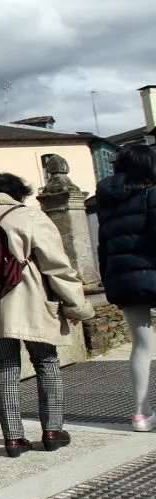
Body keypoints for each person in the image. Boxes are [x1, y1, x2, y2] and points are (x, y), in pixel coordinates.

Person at [0, 173, 94, 457]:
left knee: (5, 368)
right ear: (19, 193)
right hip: (31, 302)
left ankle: (13, 438)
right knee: (47, 362)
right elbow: (57, 266)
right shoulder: (30, 217)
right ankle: (52, 430)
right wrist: (75, 304)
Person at [96, 145, 156, 431]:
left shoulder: (108, 203)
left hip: (125, 280)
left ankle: (141, 414)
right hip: (153, 273)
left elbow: (103, 248)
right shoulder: (151, 194)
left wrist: (109, 280)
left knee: (142, 346)